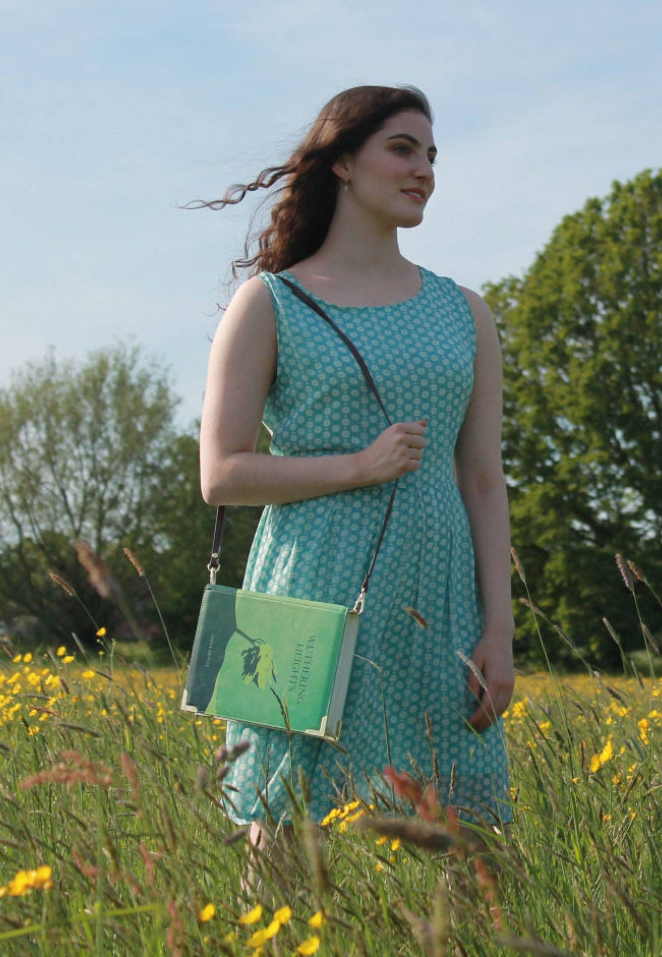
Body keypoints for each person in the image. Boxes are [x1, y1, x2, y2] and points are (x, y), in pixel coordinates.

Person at [197, 85, 514, 848]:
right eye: (402, 149)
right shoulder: (270, 302)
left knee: (457, 844)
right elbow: (221, 473)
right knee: (278, 839)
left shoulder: (464, 311)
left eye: (431, 155)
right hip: (300, 599)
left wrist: (498, 629)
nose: (424, 170)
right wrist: (360, 466)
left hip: (437, 605)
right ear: (341, 163)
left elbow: (481, 478)